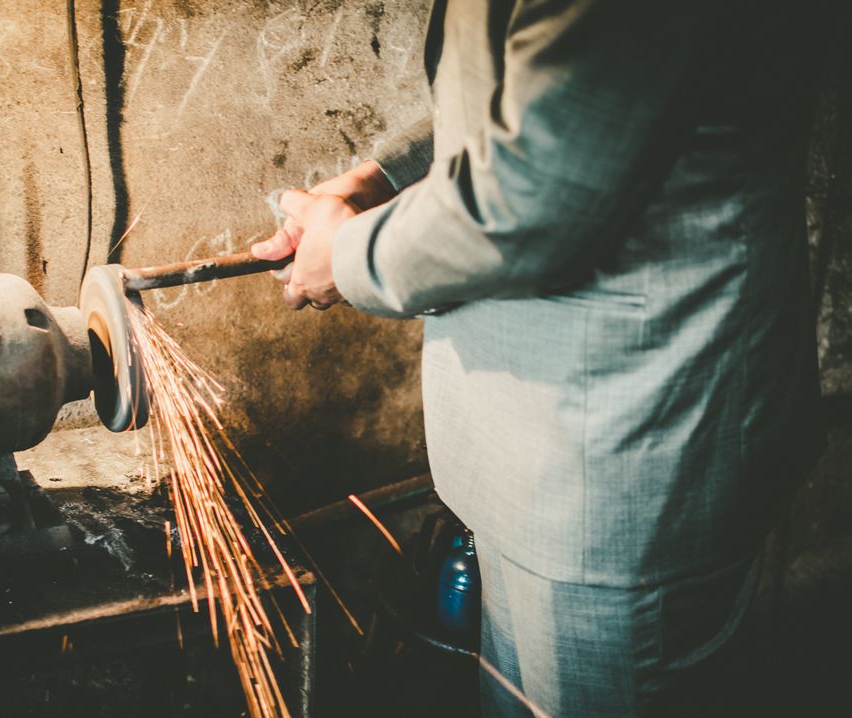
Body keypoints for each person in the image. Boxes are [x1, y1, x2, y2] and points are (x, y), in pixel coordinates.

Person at [251, 0, 827, 715]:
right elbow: (551, 98)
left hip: (625, 457)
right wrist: (384, 180)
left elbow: (536, 196)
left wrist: (349, 255)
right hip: (556, 457)